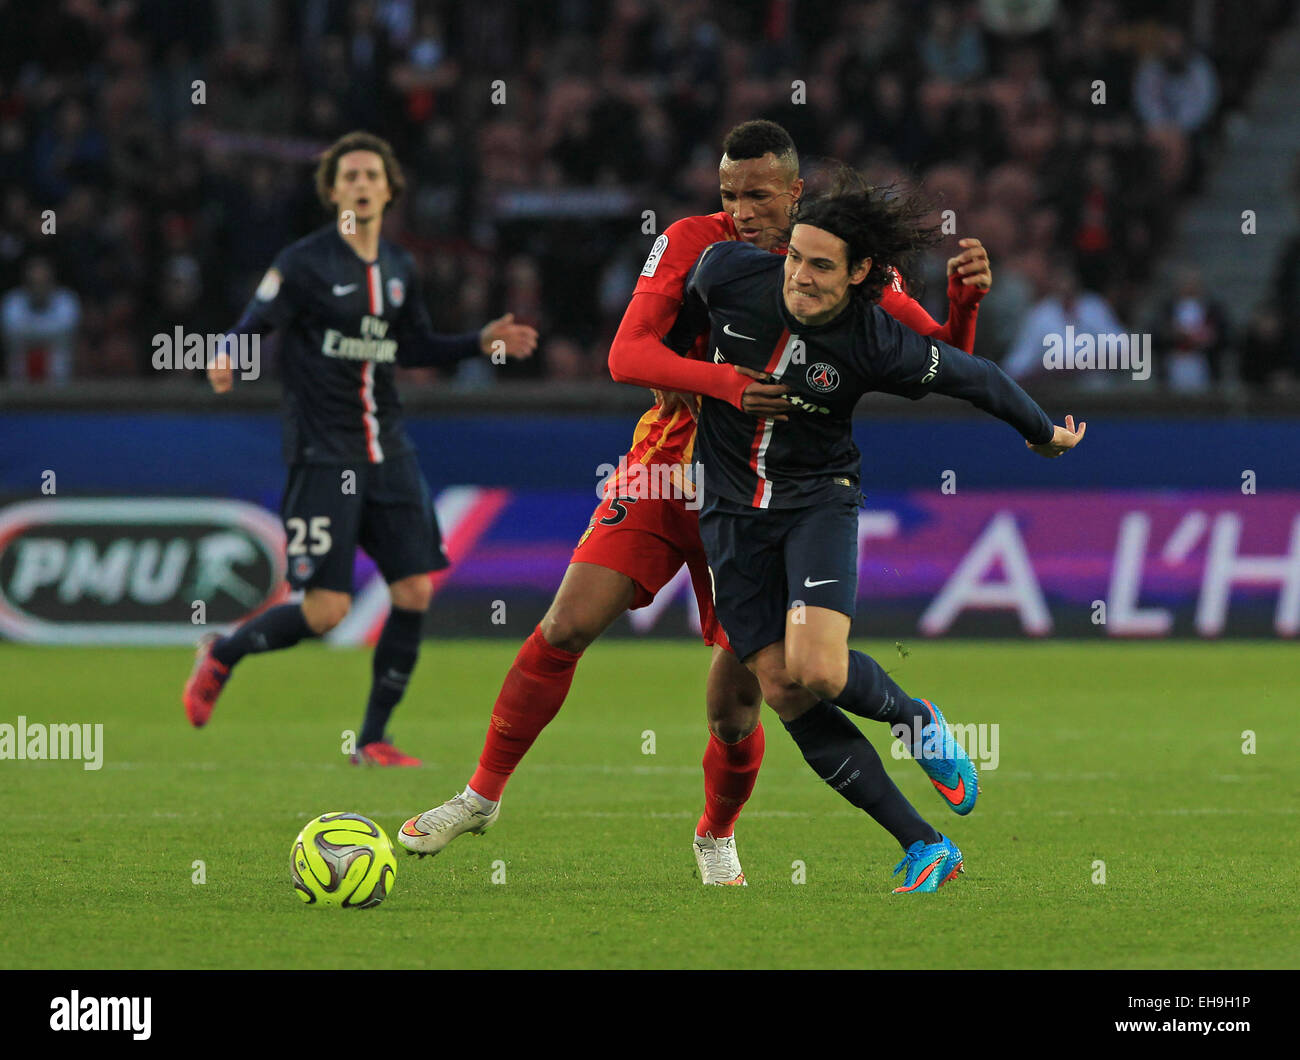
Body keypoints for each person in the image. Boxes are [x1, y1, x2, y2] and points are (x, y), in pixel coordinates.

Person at [397, 121, 993, 887]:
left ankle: (716, 835)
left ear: (795, 192)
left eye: (758, 196)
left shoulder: (833, 257)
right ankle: (481, 796)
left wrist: (964, 305)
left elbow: (945, 359)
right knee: (565, 624)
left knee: (747, 705)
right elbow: (626, 354)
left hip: (758, 499)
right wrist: (729, 384)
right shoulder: (692, 244)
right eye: (729, 195)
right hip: (664, 472)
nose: (742, 210)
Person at [618, 167, 1085, 892]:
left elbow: (975, 376)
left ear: (860, 271)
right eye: (796, 257)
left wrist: (1042, 432)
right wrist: (689, 375)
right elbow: (644, 342)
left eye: (821, 266)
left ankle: (916, 719)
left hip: (816, 501)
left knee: (821, 670)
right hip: (730, 515)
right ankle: (924, 845)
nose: (798, 277)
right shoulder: (725, 271)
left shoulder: (877, 344)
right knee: (780, 688)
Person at [181, 130, 536, 764]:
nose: (362, 186)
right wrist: (228, 352)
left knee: (415, 592)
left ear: (390, 190)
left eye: (373, 176)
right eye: (350, 177)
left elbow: (415, 346)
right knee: (324, 612)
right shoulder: (303, 263)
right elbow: (254, 321)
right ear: (332, 191)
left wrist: (478, 339)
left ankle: (372, 738)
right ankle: (223, 653)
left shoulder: (400, 269)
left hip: (388, 451)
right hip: (324, 455)